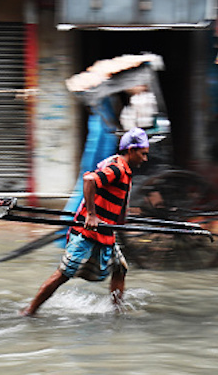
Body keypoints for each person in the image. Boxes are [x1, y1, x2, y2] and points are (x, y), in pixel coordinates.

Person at [21, 128, 149, 317]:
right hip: (88, 231)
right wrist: (91, 214)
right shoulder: (117, 168)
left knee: (120, 268)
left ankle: (117, 310)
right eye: (143, 154)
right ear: (131, 150)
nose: (145, 159)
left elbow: (116, 198)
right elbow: (89, 180)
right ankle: (30, 311)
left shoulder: (122, 168)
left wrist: (121, 219)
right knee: (63, 274)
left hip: (105, 231)